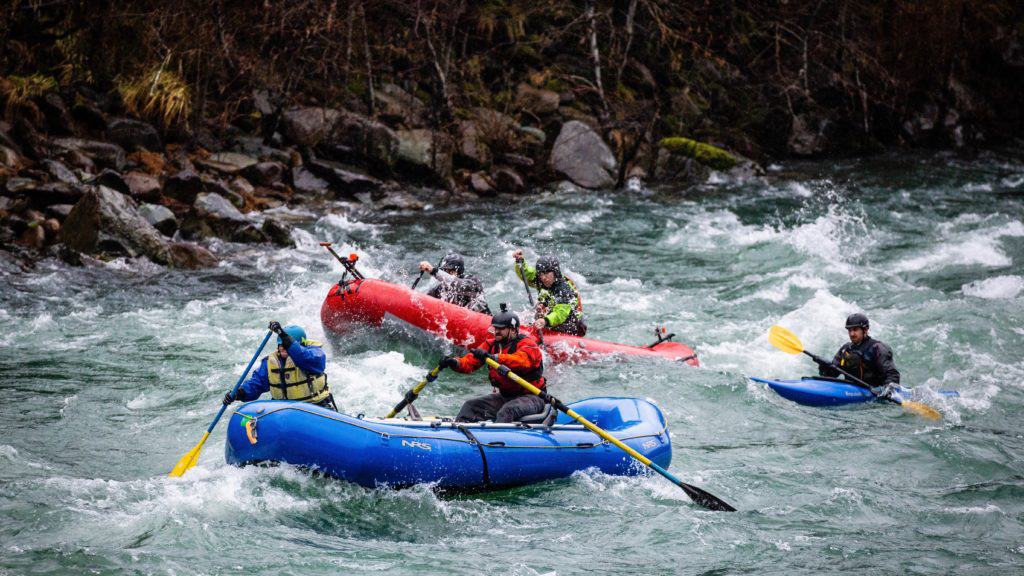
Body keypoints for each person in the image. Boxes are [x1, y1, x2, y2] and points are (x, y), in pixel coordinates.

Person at [442, 307, 547, 423]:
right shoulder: (491, 345)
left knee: (507, 411)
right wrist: (455, 363)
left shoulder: (528, 344)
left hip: (532, 397)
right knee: (470, 406)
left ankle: (498, 440)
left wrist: (495, 358)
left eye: (501, 329)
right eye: (496, 328)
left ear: (513, 330)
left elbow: (521, 361)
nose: (497, 331)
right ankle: (459, 437)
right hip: (506, 397)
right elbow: (469, 363)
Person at [223, 321, 337, 411]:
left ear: (300, 344)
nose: (282, 347)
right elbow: (255, 385)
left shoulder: (315, 355)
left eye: (285, 344)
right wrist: (238, 394)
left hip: (315, 408)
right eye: (280, 344)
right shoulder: (269, 363)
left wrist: (282, 335)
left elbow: (304, 358)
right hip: (284, 412)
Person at [819, 313, 901, 396]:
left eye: (855, 330)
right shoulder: (845, 349)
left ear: (865, 330)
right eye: (849, 330)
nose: (851, 334)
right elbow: (832, 374)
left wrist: (886, 390)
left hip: (874, 392)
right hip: (850, 391)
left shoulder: (878, 348)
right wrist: (824, 367)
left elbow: (893, 375)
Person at [512, 250, 587, 336]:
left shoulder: (564, 290)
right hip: (550, 319)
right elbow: (526, 274)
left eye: (547, 273)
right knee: (539, 310)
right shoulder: (541, 280)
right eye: (541, 274)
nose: (543, 277)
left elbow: (560, 313)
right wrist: (519, 261)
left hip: (571, 325)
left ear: (555, 272)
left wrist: (545, 321)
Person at [418, 252, 491, 314]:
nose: (446, 274)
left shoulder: (473, 282)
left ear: (459, 272)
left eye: (450, 271)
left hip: (481, 320)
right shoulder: (440, 289)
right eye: (444, 271)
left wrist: (433, 271)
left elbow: (456, 283)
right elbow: (424, 301)